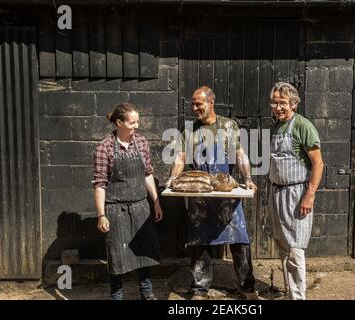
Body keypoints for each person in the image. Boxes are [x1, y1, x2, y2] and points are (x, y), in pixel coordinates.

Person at [167, 86, 258, 300]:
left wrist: (248, 179)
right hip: (200, 193)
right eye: (193, 103)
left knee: (240, 240)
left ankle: (247, 287)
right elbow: (180, 157)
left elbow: (239, 154)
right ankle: (200, 289)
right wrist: (173, 178)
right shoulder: (189, 130)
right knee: (199, 241)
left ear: (211, 103)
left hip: (226, 193)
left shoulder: (228, 125)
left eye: (198, 103)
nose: (194, 108)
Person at [93, 102, 163, 300]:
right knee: (117, 256)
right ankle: (116, 296)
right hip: (116, 210)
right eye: (132, 122)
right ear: (119, 122)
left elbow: (148, 174)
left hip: (141, 206)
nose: (136, 126)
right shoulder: (104, 148)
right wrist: (101, 214)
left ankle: (147, 294)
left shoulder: (141, 142)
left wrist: (156, 202)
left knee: (145, 252)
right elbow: (100, 184)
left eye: (137, 122)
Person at [268, 82, 324, 300]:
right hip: (276, 192)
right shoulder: (277, 126)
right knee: (282, 245)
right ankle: (290, 293)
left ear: (294, 103)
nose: (277, 107)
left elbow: (318, 164)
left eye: (282, 103)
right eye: (274, 102)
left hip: (295, 193)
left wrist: (309, 196)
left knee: (295, 249)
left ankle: (298, 297)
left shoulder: (302, 126)